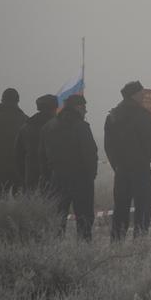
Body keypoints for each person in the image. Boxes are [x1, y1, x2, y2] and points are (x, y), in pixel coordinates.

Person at [104, 81, 151, 239]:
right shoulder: (142, 115)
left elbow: (108, 146)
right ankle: (140, 242)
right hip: (140, 169)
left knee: (121, 208)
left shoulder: (113, 116)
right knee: (143, 208)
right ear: (134, 95)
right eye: (142, 93)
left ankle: (117, 242)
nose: (144, 95)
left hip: (121, 170)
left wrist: (116, 165)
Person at [39, 94, 98, 240]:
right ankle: (84, 250)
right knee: (84, 218)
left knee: (58, 217)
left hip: (57, 177)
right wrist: (91, 176)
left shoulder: (49, 126)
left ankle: (55, 248)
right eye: (84, 107)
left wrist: (49, 175)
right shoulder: (81, 127)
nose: (86, 111)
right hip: (81, 178)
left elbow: (42, 155)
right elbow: (90, 154)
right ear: (78, 107)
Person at [15, 94, 59, 194]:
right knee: (54, 206)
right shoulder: (59, 127)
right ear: (55, 107)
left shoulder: (26, 127)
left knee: (32, 206)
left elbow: (18, 155)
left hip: (31, 176)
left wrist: (24, 175)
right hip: (54, 176)